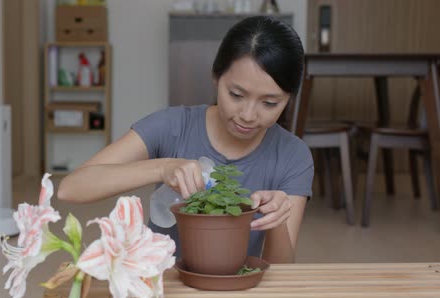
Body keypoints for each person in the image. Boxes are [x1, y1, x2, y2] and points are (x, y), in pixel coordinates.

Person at [57, 16, 313, 264]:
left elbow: (280, 272)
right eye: (236, 95)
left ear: (289, 98)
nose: (247, 115)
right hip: (161, 287)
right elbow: (72, 188)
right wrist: (162, 168)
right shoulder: (172, 127)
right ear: (216, 77)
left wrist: (277, 221)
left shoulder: (293, 155)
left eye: (269, 103)